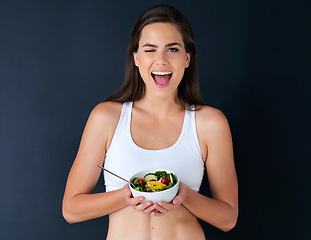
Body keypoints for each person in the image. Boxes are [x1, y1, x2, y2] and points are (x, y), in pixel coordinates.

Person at [62, 4, 238, 239]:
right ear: (136, 58)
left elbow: (228, 218)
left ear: (187, 58)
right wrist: (127, 195)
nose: (161, 60)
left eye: (172, 49)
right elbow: (71, 209)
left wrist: (184, 195)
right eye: (150, 49)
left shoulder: (210, 123)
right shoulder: (106, 118)